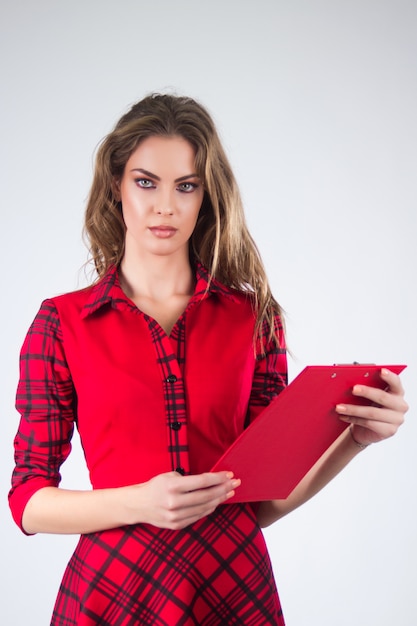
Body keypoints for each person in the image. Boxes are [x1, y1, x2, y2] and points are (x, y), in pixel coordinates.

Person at [9, 93, 408, 625]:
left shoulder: (255, 318)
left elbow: (262, 501)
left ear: (205, 197)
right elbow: (28, 500)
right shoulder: (61, 324)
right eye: (145, 182)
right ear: (116, 186)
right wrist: (142, 503)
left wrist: (351, 443)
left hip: (233, 588)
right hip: (114, 593)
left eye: (187, 186)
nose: (166, 206)